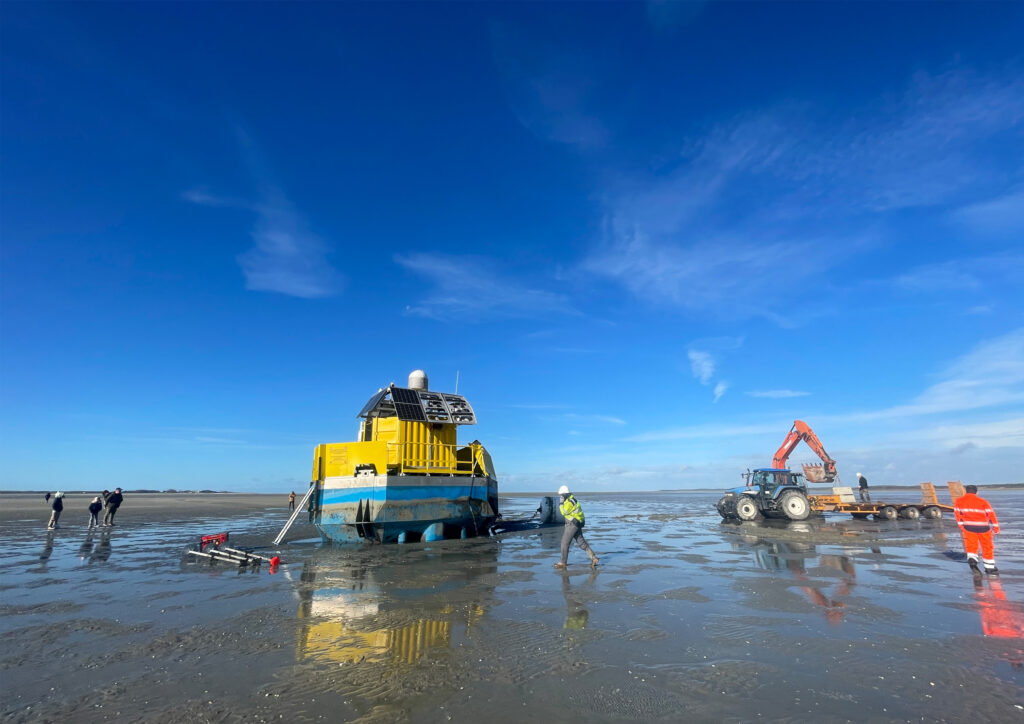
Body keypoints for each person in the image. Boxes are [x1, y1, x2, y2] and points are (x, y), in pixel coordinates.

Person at [954, 484, 1000, 574]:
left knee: (971, 545)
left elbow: (957, 515)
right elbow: (991, 515)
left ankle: (972, 560)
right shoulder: (983, 501)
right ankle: (989, 568)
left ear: (966, 491)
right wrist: (996, 527)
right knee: (987, 547)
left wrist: (961, 526)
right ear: (976, 492)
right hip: (983, 527)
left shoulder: (959, 501)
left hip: (968, 527)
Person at [554, 485, 598, 569]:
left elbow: (564, 512)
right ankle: (594, 558)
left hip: (572, 524)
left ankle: (562, 563)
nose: (560, 496)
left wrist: (561, 503)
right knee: (581, 543)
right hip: (577, 523)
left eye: (561, 495)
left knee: (564, 543)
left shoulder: (569, 502)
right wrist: (582, 522)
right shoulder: (573, 500)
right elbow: (580, 512)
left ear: (565, 494)